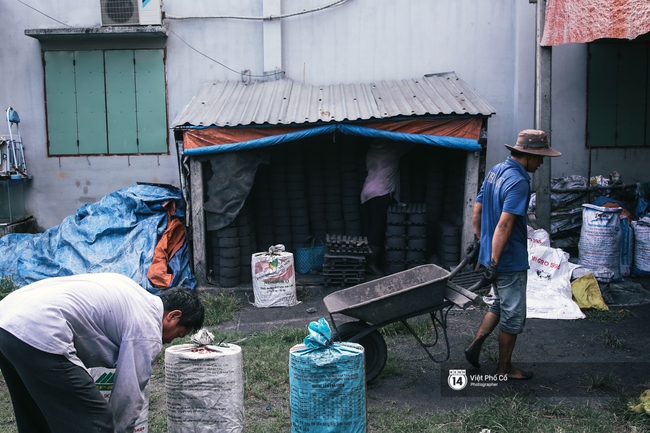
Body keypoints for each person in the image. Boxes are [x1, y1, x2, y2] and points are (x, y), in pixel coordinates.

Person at [0, 272, 205, 432]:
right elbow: (128, 395)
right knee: (95, 419)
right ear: (173, 316)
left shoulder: (131, 291)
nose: (169, 341)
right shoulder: (147, 328)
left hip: (7, 320)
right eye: (178, 334)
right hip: (38, 330)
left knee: (36, 415)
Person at [464, 129, 561, 380]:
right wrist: (495, 262)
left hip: (492, 254)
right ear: (530, 154)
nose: (541, 164)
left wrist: (479, 242)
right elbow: (505, 225)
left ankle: (477, 342)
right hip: (507, 257)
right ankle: (504, 369)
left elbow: (478, 208)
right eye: (541, 158)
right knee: (514, 313)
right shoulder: (519, 182)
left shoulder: (497, 170)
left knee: (499, 302)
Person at [361, 139, 414, 276]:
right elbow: (411, 142)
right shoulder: (392, 151)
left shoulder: (370, 152)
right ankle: (371, 265)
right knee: (378, 230)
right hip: (381, 193)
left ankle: (369, 262)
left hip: (366, 193)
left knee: (370, 228)